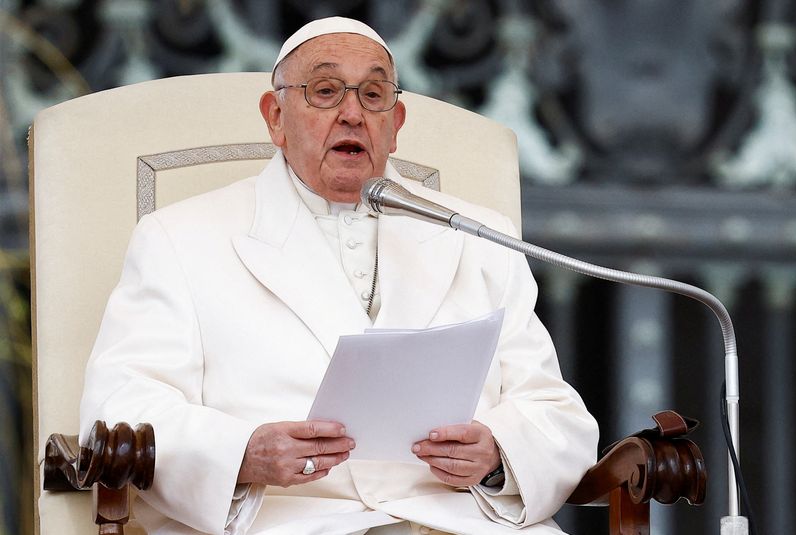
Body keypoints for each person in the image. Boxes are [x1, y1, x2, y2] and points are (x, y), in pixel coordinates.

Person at [80, 16, 599, 535]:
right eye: (325, 91)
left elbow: (555, 414)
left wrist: (497, 454)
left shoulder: (481, 235)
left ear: (395, 125)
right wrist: (242, 454)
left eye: (373, 95)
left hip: (461, 522)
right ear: (275, 117)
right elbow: (121, 412)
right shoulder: (179, 237)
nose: (352, 113)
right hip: (287, 522)